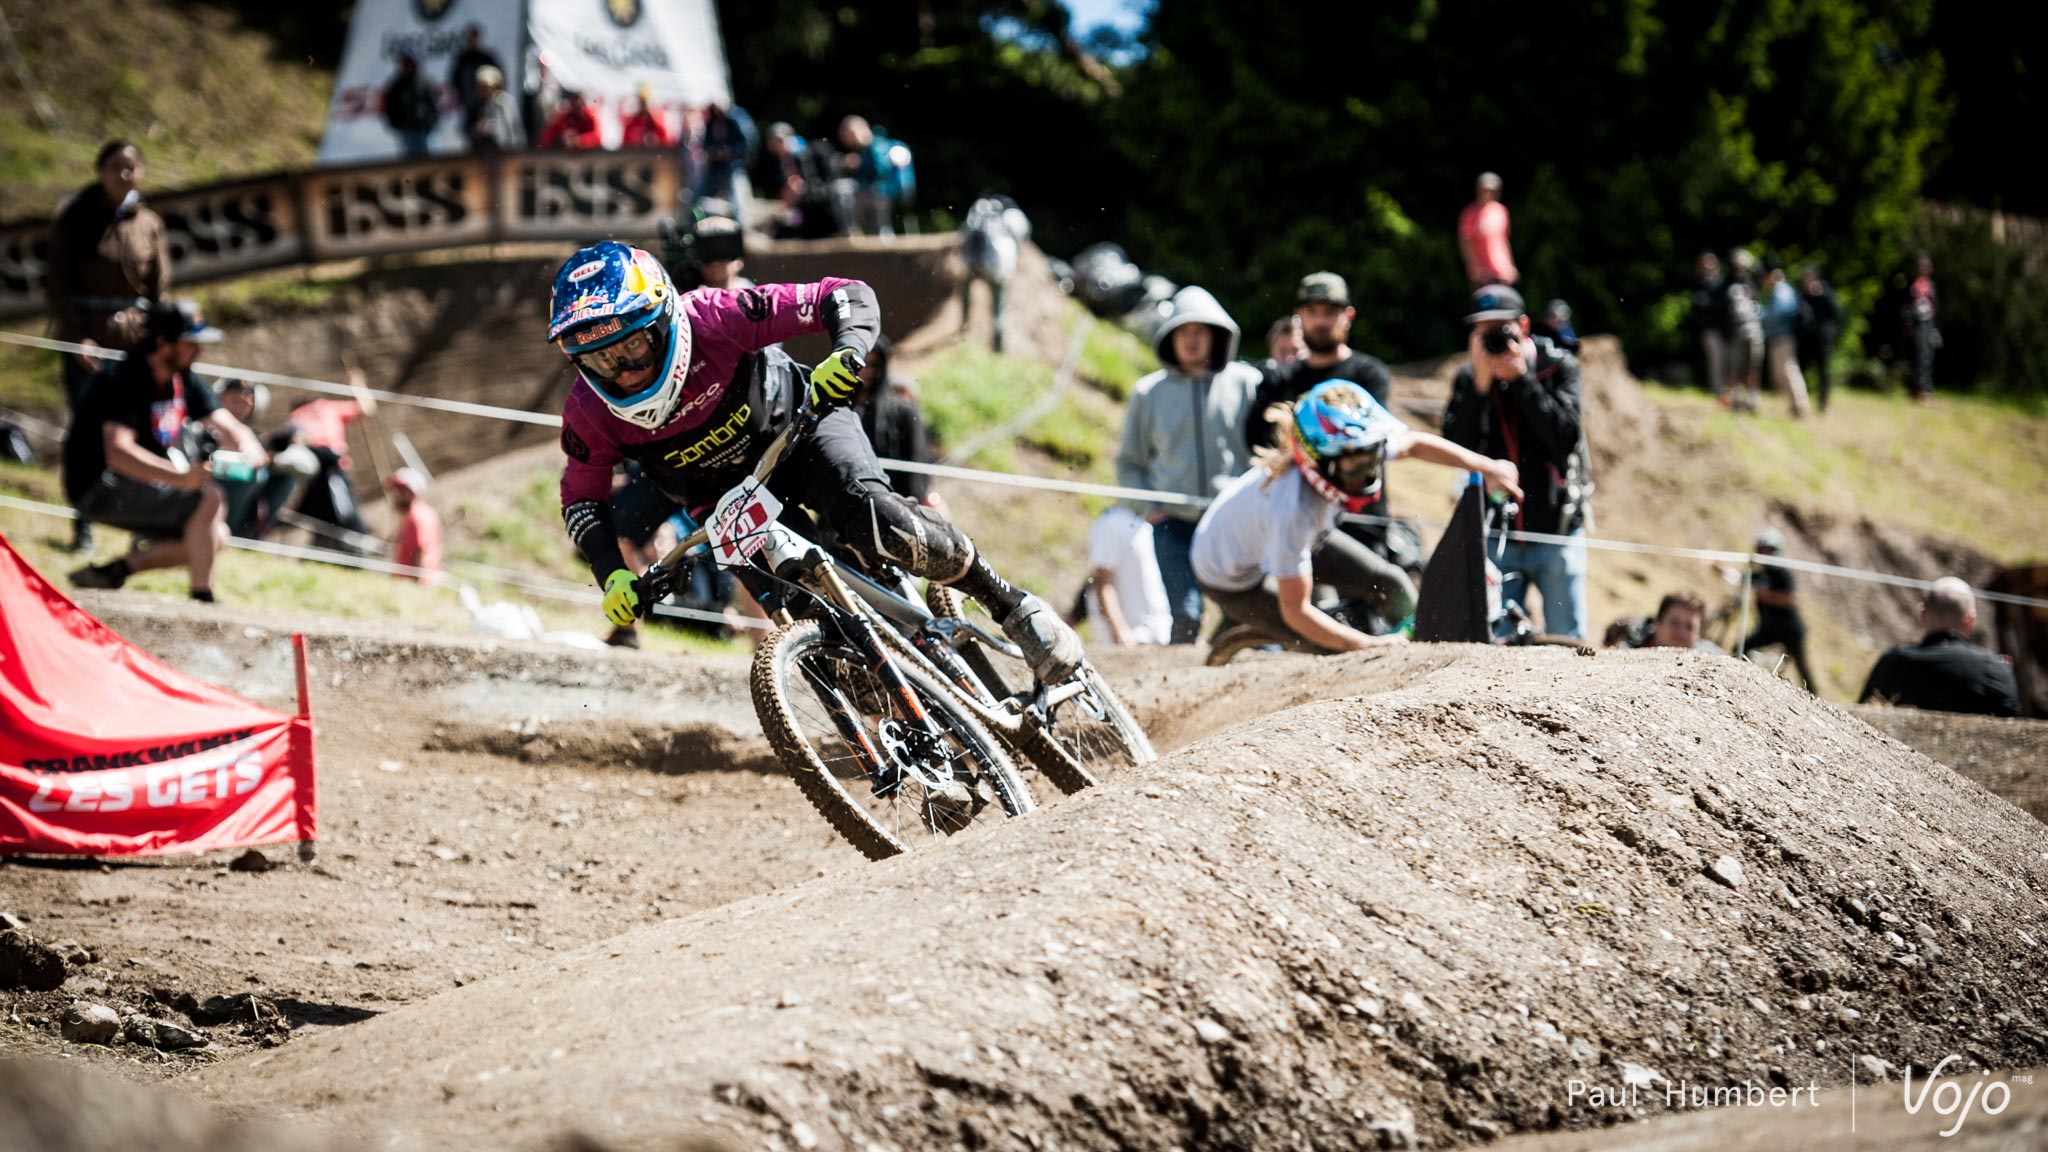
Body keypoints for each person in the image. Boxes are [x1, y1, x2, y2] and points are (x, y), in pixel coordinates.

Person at [547, 242, 1085, 682]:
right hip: (730, 506)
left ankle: (1012, 607)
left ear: (665, 318)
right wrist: (610, 572)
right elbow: (581, 496)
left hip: (802, 433)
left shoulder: (715, 315)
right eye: (600, 358)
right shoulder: (589, 413)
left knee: (883, 526)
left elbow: (844, 295)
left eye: (633, 348)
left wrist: (846, 353)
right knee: (827, 652)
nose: (622, 372)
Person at [1193, 381, 1519, 653]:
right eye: (1354, 467)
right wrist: (1366, 647)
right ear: (1318, 461)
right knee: (1328, 647)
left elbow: (1415, 444)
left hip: (1283, 537)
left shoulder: (1354, 449)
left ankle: (1424, 654)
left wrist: (1485, 466)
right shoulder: (1292, 509)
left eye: (1372, 458)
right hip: (1228, 576)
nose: (1366, 470)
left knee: (1391, 584)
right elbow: (1297, 611)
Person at [63, 301, 266, 601]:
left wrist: (248, 445)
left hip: (141, 483)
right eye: (190, 343)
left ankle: (113, 572)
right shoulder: (127, 377)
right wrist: (180, 478)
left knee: (215, 537)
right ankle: (202, 598)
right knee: (210, 499)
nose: (198, 351)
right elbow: (118, 452)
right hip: (99, 486)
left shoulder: (181, 376)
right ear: (162, 342)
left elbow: (226, 424)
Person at [1442, 284, 1593, 640]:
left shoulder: (1558, 367)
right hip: (1497, 533)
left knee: (1567, 636)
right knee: (1497, 637)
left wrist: (1521, 380)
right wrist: (1480, 387)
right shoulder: (1471, 377)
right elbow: (1457, 447)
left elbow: (1564, 440)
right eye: (1484, 330)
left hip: (1555, 529)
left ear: (1523, 325)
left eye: (1501, 328)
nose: (1493, 338)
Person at [1114, 286, 1263, 644]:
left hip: (1233, 522)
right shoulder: (1149, 393)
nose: (1191, 340)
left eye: (1200, 330)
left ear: (1217, 335)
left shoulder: (1248, 384)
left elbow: (1268, 451)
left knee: (1249, 616)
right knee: (1184, 616)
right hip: (1173, 525)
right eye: (1183, 331)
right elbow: (1128, 463)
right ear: (1169, 337)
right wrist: (1151, 509)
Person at [45, 140, 170, 554]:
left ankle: (143, 525)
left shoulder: (149, 222)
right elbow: (58, 284)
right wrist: (77, 336)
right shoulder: (76, 217)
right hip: (87, 344)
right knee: (87, 432)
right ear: (100, 170)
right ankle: (83, 527)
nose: (125, 173)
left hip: (134, 346)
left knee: (140, 434)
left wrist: (158, 346)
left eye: (133, 166)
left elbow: (159, 290)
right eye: (117, 166)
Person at [1246, 272, 1394, 451]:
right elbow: (1256, 442)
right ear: (1298, 315)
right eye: (1312, 311)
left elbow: (1375, 440)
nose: (1320, 321)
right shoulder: (1278, 380)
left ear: (1348, 316)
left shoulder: (1369, 374)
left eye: (1329, 312)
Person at [1859, 577, 2020, 717]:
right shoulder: (1994, 670)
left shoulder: (1892, 662)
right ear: (1970, 620)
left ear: (1922, 614)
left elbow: (1861, 718)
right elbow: (2016, 731)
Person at [853, 338, 936, 509]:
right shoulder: (839, 410)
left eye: (873, 365)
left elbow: (916, 469)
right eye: (862, 363)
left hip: (893, 507)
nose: (866, 371)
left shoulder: (904, 412)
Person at [1085, 505, 1173, 647]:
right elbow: (1103, 582)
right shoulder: (1111, 524)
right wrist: (1119, 630)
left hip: (1157, 633)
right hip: (1131, 638)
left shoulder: (1145, 526)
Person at [1739, 529, 1815, 690]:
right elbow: (1740, 581)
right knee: (1742, 646)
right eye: (1762, 549)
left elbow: (1790, 598)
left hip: (1790, 630)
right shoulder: (1759, 574)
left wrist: (1767, 596)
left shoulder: (1783, 573)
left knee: (1802, 666)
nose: (1765, 553)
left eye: (1769, 550)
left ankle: (1814, 694)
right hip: (1768, 629)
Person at [960, 195, 1030, 353]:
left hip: (977, 265)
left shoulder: (978, 215)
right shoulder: (1012, 219)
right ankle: (998, 347)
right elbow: (1022, 238)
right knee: (998, 311)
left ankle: (964, 324)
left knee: (965, 287)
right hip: (1000, 269)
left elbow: (964, 237)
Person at [1758, 260, 1811, 417]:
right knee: (1780, 374)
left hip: (1784, 338)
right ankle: (1794, 407)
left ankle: (1800, 408)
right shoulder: (1777, 290)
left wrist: (1759, 313)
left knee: (1789, 372)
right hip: (1777, 338)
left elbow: (1777, 314)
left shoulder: (1782, 290)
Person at [1719, 249, 1765, 411]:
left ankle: (1752, 400)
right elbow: (1722, 311)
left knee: (1753, 367)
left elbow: (1761, 273)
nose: (1740, 269)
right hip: (1735, 332)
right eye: (1738, 266)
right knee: (1736, 368)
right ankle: (1736, 399)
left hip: (1754, 330)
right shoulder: (1725, 285)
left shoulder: (1751, 284)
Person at [1457, 172, 1518, 288]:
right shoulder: (1470, 213)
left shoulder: (1501, 211)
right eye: (1485, 190)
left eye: (1492, 190)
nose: (1488, 194)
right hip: (1482, 273)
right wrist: (1474, 267)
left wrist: (1510, 266)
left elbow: (1504, 241)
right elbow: (1465, 243)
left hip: (1502, 271)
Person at [1606, 590, 1717, 651]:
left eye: (1689, 627)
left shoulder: (1708, 655)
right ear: (1656, 623)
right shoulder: (1629, 646)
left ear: (1699, 634)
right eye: (1674, 623)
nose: (1681, 632)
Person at [1796, 265, 1841, 413]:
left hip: (1822, 341)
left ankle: (1823, 404)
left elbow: (1836, 314)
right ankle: (1803, 402)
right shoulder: (1802, 296)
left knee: (1823, 373)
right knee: (1801, 371)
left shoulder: (1825, 293)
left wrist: (1821, 295)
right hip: (1806, 341)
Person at [386, 467, 442, 582]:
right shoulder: (425, 512)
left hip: (414, 584)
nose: (395, 496)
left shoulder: (415, 518)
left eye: (400, 491)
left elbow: (419, 555)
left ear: (412, 492)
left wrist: (415, 586)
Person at [448, 24, 502, 135]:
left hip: (489, 104)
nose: (471, 40)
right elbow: (454, 81)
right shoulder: (462, 60)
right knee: (471, 132)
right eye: (469, 37)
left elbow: (499, 79)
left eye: (474, 37)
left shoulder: (486, 58)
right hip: (470, 104)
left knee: (493, 131)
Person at [382, 53, 439, 158]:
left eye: (410, 64)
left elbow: (432, 104)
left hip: (423, 128)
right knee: (408, 159)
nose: (408, 67)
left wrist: (431, 121)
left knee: (426, 158)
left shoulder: (424, 83)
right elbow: (390, 107)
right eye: (405, 64)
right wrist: (395, 123)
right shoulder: (397, 85)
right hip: (406, 128)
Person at [1902, 252, 1940, 404]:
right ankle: (1918, 391)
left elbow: (1935, 307)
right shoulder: (1911, 285)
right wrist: (1908, 323)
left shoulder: (1931, 285)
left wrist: (1935, 328)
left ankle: (1927, 389)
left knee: (1928, 357)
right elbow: (1905, 307)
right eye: (1921, 266)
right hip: (1916, 325)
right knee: (1918, 357)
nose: (1923, 268)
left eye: (1926, 266)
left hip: (1928, 324)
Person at [465, 65, 524, 153]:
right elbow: (467, 129)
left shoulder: (506, 102)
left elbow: (515, 129)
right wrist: (476, 130)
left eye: (489, 88)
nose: (486, 92)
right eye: (482, 88)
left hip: (508, 151)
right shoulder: (474, 105)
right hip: (481, 153)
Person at [1691, 251, 1726, 398]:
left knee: (1727, 361)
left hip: (1725, 329)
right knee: (1715, 361)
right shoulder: (1699, 283)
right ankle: (1718, 391)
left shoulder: (1721, 281)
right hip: (1710, 329)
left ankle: (1727, 391)